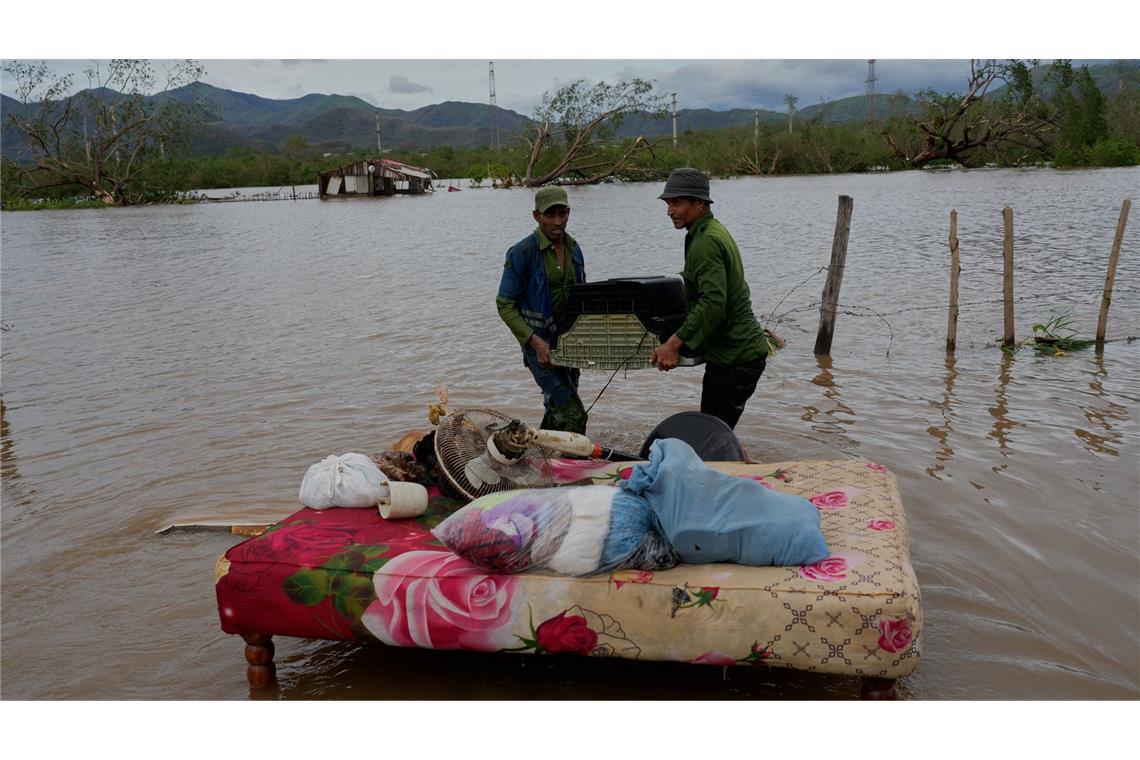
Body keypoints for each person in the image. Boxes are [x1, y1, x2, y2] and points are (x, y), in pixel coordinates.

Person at [649, 167, 770, 430]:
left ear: (700, 203)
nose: (670, 211)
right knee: (714, 430)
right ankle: (738, 462)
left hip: (737, 355)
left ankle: (737, 466)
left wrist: (672, 344)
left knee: (712, 433)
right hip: (728, 354)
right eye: (669, 203)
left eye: (677, 203)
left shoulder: (706, 242)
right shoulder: (706, 232)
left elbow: (713, 304)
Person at [496, 186, 588, 433]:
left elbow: (583, 297)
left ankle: (541, 458)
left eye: (563, 213)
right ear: (536, 216)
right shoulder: (522, 252)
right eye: (550, 215)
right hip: (538, 347)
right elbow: (504, 305)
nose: (558, 222)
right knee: (574, 413)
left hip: (567, 344)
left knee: (557, 409)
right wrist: (536, 343)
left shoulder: (574, 248)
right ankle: (574, 465)